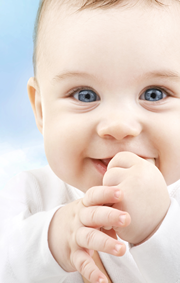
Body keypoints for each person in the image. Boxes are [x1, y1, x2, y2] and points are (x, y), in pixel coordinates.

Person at [1, 0, 180, 282]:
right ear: (40, 111)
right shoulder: (30, 195)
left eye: (154, 94)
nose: (119, 126)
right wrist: (53, 240)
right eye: (86, 95)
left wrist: (159, 226)